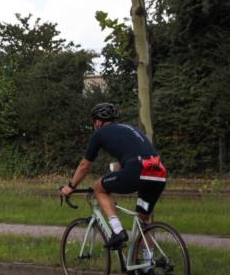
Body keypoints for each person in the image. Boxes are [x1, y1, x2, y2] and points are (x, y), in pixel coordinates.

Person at [59, 102, 167, 250]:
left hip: (137, 169)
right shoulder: (131, 129)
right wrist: (116, 172)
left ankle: (117, 231)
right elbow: (130, 156)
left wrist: (71, 186)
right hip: (158, 171)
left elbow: (85, 165)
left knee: (99, 188)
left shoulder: (99, 134)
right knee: (144, 221)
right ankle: (148, 262)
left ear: (97, 122)